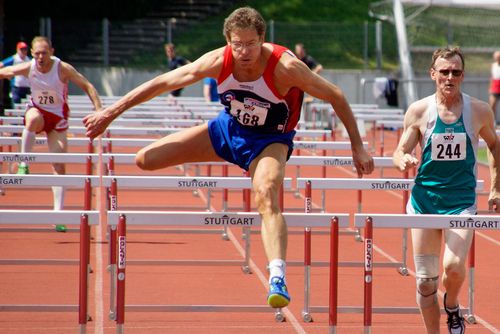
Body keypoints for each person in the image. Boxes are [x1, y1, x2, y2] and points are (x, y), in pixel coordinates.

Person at [83, 6, 374, 308]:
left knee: (266, 193)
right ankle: (234, 159)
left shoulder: (285, 66)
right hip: (227, 131)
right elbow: (162, 83)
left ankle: (277, 276)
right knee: (146, 159)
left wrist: (358, 146)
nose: (244, 51)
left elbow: (336, 95)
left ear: (262, 39)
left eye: (251, 43)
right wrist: (110, 113)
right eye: (238, 44)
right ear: (228, 41)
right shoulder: (217, 61)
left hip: (269, 140)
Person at [393, 47, 500, 334]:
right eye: (444, 72)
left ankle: (452, 305)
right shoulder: (419, 111)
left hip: (460, 201)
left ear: (463, 75)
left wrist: (496, 188)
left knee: (453, 267)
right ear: (433, 74)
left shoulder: (478, 110)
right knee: (426, 281)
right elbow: (400, 149)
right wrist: (403, 159)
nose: (449, 77)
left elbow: (494, 146)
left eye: (455, 72)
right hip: (424, 202)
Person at [0, 36, 102, 232]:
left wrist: (99, 110)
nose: (40, 57)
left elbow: (87, 86)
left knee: (59, 165)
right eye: (37, 53)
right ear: (31, 53)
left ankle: (58, 214)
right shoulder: (29, 67)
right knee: (31, 119)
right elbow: (7, 72)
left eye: (44, 53)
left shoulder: (62, 68)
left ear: (52, 52)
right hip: (38, 112)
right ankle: (24, 163)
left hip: (58, 119)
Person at [488, 50, 500, 125]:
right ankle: (492, 122)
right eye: (496, 57)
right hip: (495, 87)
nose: (497, 58)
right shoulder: (493, 65)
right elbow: (492, 77)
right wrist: (490, 87)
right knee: (492, 105)